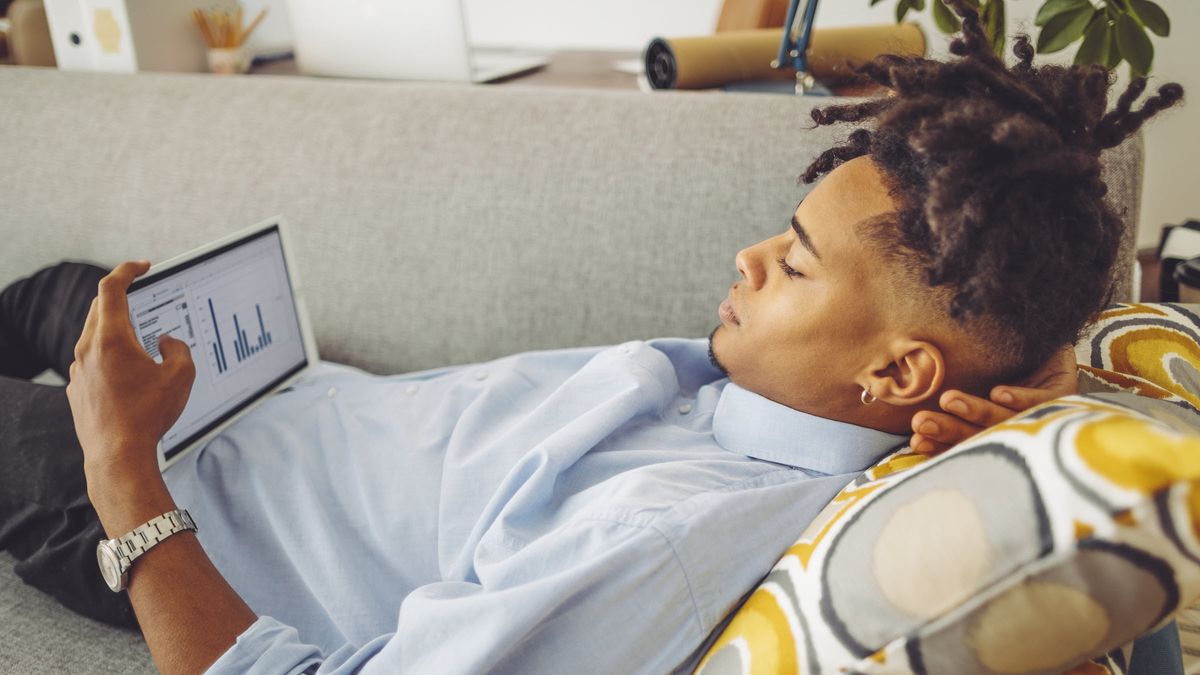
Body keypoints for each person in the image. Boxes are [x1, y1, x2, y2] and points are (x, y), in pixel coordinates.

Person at [0, 1, 1183, 672]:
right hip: (283, 399)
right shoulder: (823, 390)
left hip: (173, 502)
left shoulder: (668, 535)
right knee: (62, 289)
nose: (749, 262)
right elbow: (1042, 371)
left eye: (796, 263)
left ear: (893, 367)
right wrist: (1048, 377)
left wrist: (121, 471)